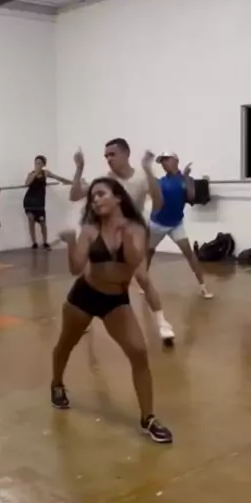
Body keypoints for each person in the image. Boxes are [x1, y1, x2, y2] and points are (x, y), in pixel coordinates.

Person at [52, 177, 172, 444]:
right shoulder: (89, 230)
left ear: (117, 197)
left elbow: (134, 260)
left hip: (115, 300)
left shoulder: (136, 228)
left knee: (138, 352)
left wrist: (125, 235)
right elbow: (75, 268)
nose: (95, 200)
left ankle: (148, 418)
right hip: (84, 295)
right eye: (92, 197)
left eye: (101, 194)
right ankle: (57, 383)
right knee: (65, 344)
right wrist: (71, 242)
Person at [70, 140, 175, 343]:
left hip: (133, 234)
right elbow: (74, 195)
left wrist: (148, 169)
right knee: (92, 276)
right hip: (108, 234)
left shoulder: (141, 177)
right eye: (106, 156)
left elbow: (159, 204)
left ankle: (162, 322)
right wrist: (79, 168)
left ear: (126, 154)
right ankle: (85, 316)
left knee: (142, 277)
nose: (109, 159)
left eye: (113, 154)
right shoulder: (106, 180)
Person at [148, 152, 213, 298]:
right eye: (162, 161)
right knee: (148, 253)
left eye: (166, 160)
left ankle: (203, 287)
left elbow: (191, 196)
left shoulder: (186, 180)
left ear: (175, 160)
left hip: (176, 224)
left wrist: (186, 177)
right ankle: (143, 283)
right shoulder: (161, 182)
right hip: (157, 225)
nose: (164, 163)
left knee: (189, 254)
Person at [24, 155, 71, 249]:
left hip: (40, 202)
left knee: (42, 222)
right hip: (29, 201)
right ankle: (34, 243)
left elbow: (59, 178)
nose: (37, 165)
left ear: (43, 165)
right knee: (31, 221)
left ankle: (45, 242)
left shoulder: (46, 173)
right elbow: (27, 183)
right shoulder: (31, 174)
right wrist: (35, 174)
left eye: (39, 163)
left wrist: (72, 182)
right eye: (36, 163)